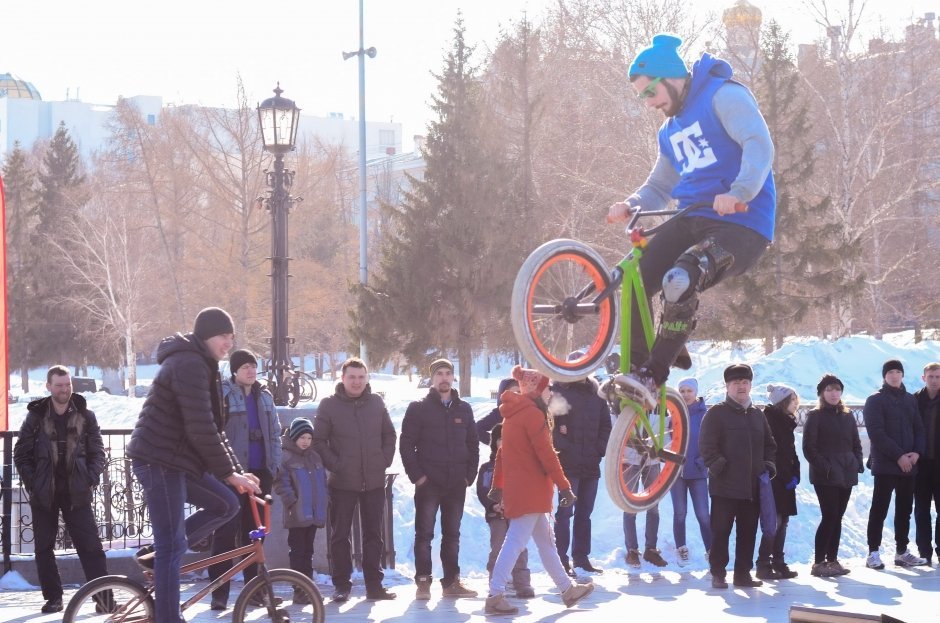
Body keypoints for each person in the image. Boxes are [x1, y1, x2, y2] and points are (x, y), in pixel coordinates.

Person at [606, 33, 775, 410]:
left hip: (742, 224)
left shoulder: (723, 95)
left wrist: (741, 190)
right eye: (641, 97)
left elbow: (758, 143)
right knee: (635, 276)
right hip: (693, 217)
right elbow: (660, 185)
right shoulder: (670, 130)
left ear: (672, 77)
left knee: (680, 278)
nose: (649, 103)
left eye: (650, 92)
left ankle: (656, 370)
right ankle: (636, 370)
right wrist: (630, 203)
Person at [126, 307, 261, 623]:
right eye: (223, 337)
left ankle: (159, 554)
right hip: (158, 460)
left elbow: (214, 426)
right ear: (206, 336)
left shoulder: (203, 363)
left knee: (227, 504)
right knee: (172, 547)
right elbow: (199, 426)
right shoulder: (189, 363)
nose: (229, 343)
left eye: (231, 337)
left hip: (177, 462)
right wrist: (229, 473)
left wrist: (235, 474)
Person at [484, 365, 594, 615]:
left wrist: (498, 486)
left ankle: (567, 590)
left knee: (546, 543)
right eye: (547, 389)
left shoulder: (513, 414)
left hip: (523, 489)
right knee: (515, 542)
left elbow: (502, 453)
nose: (550, 394)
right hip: (530, 491)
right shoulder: (533, 415)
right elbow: (547, 455)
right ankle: (495, 594)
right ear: (536, 390)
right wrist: (565, 486)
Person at [13, 366, 109, 614]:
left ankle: (104, 599)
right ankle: (54, 598)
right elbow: (21, 453)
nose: (64, 389)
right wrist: (33, 483)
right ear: (48, 387)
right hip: (44, 493)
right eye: (59, 385)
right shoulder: (35, 417)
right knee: (44, 548)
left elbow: (98, 452)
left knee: (91, 547)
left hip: (77, 491)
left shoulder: (86, 416)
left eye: (67, 384)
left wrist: (90, 478)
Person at [312, 357, 397, 602]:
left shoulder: (376, 402)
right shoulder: (329, 405)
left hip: (373, 481)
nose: (357, 382)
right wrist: (337, 465)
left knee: (374, 534)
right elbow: (319, 441)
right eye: (352, 377)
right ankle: (342, 585)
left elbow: (389, 434)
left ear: (367, 378)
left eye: (361, 377)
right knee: (340, 535)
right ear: (343, 378)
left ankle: (374, 585)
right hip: (342, 483)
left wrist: (384, 459)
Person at [208, 349, 283, 610]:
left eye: (254, 365)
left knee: (256, 534)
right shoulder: (224, 394)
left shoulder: (264, 396)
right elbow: (215, 432)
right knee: (226, 532)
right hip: (232, 474)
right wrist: (224, 471)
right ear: (235, 371)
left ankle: (255, 590)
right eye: (245, 366)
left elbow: (275, 433)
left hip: (260, 473)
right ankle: (219, 592)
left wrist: (273, 465)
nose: (251, 370)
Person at [400, 358, 480, 600]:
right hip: (429, 483)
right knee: (424, 534)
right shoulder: (418, 408)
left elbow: (473, 444)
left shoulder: (464, 409)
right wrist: (418, 477)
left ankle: (451, 582)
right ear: (432, 379)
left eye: (448, 373)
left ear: (453, 377)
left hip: (456, 482)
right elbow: (406, 445)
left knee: (452, 534)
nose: (444, 378)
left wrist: (469, 476)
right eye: (439, 374)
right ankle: (423, 581)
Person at [699, 363, 776, 589]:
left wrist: (768, 466)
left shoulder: (757, 415)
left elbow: (770, 445)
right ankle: (718, 573)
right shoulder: (716, 413)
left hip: (752, 487)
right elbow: (706, 446)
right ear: (727, 386)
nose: (741, 387)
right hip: (724, 486)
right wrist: (719, 466)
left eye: (745, 382)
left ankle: (743, 574)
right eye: (736, 383)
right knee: (720, 532)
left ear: (750, 385)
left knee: (748, 532)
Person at [864, 359, 927, 569]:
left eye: (897, 372)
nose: (894, 375)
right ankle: (873, 552)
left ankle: (901, 551)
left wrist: (916, 453)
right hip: (886, 464)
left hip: (909, 464)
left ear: (902, 375)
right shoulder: (875, 400)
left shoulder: (910, 400)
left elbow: (919, 428)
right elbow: (876, 433)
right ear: (884, 376)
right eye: (890, 372)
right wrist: (899, 456)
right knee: (879, 508)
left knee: (904, 509)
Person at [550, 365, 612, 575]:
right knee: (565, 512)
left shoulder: (598, 395)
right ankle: (561, 559)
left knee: (585, 513)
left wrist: (599, 450)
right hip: (567, 465)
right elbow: (553, 426)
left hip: (591, 464)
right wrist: (565, 448)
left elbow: (606, 425)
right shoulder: (559, 392)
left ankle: (581, 557)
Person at [803, 374, 862, 577]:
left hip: (846, 472)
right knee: (829, 516)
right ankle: (819, 562)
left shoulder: (847, 416)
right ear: (822, 393)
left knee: (838, 517)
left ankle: (832, 560)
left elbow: (856, 443)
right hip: (826, 475)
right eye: (829, 390)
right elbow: (809, 448)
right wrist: (825, 467)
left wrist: (857, 463)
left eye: (837, 389)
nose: (834, 393)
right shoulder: (815, 415)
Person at [476, 423, 534, 598]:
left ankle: (522, 583)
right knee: (497, 547)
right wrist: (493, 505)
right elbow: (483, 490)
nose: (505, 443)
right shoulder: (488, 468)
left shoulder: (521, 465)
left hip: (517, 513)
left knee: (520, 547)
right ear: (494, 442)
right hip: (496, 514)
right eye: (501, 440)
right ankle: (495, 584)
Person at [274, 417, 328, 603]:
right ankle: (299, 589)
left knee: (308, 551)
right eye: (302, 437)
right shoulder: (286, 457)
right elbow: (281, 482)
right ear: (294, 437)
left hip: (312, 513)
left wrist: (324, 500)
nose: (305, 441)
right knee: (298, 552)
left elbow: (322, 482)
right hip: (296, 513)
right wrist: (291, 501)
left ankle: (308, 588)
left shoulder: (314, 457)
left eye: (309, 437)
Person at [755, 384, 800, 580]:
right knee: (773, 522)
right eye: (792, 400)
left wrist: (795, 473)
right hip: (774, 479)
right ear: (783, 402)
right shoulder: (771, 421)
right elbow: (774, 452)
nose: (796, 404)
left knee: (784, 521)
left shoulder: (786, 421)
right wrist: (783, 475)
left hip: (786, 479)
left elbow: (791, 452)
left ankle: (778, 562)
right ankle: (763, 563)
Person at [669, 376, 711, 566]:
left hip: (698, 472)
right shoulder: (673, 415)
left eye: (689, 391)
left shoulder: (706, 415)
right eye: (683, 391)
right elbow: (666, 442)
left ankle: (711, 550)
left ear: (696, 392)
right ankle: (681, 548)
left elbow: (713, 442)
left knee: (703, 514)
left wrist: (703, 461)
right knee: (679, 513)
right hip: (676, 473)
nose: (686, 395)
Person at [914, 362, 940, 564]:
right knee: (921, 508)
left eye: (938, 376)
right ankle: (924, 551)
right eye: (931, 376)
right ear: (924, 378)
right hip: (920, 463)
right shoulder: (914, 400)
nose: (934, 380)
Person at [476, 377, 519, 445]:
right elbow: (477, 429)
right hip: (504, 455)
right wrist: (497, 443)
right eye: (512, 393)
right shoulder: (500, 413)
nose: (516, 396)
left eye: (519, 392)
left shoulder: (529, 411)